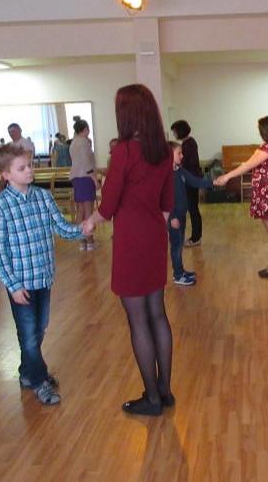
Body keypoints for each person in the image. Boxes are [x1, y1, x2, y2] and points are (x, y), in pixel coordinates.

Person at [83, 84, 174, 416]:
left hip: (131, 241)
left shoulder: (123, 152)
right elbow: (167, 203)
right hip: (154, 237)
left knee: (138, 320)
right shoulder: (163, 151)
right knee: (158, 314)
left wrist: (89, 222)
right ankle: (165, 391)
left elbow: (107, 207)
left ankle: (152, 399)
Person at [0, 144, 85, 406]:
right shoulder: (0, 207)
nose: (29, 170)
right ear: (6, 174)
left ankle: (26, 372)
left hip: (43, 278)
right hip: (21, 284)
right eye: (22, 168)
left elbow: (61, 228)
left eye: (30, 165)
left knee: (39, 328)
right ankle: (40, 380)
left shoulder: (43, 197)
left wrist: (82, 228)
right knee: (28, 335)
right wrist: (12, 285)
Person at [214, 116, 268, 278]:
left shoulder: (267, 148)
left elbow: (247, 165)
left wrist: (227, 177)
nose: (259, 132)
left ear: (266, 131)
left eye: (260, 129)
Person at [168, 141, 213, 285]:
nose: (182, 156)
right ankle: (177, 275)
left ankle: (180, 270)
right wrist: (172, 217)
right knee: (176, 246)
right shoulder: (166, 175)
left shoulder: (180, 171)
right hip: (174, 218)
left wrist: (214, 181)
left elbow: (195, 181)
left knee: (180, 245)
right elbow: (164, 199)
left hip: (181, 216)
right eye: (179, 153)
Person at [170, 120, 204, 247]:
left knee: (193, 209)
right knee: (193, 209)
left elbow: (189, 164)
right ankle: (196, 237)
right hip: (191, 180)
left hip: (190, 181)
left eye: (174, 132)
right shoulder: (188, 142)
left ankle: (196, 238)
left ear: (180, 131)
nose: (174, 134)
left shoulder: (188, 144)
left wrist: (179, 170)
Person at [69, 120, 99, 250]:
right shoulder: (83, 142)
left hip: (76, 177)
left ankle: (82, 242)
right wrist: (95, 180)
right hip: (85, 178)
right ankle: (90, 241)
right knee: (88, 210)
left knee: (80, 210)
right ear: (86, 129)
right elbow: (87, 164)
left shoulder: (73, 142)